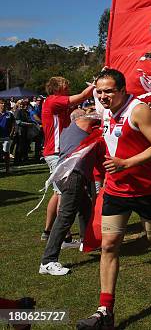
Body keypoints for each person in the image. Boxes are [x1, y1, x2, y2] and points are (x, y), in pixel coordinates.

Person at [77, 69, 151, 330]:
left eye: (108, 91)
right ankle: (105, 311)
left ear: (122, 90)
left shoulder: (138, 111)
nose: (103, 96)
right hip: (116, 191)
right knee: (108, 245)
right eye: (100, 91)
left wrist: (125, 163)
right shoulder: (107, 111)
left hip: (145, 191)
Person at [39, 108, 102, 276]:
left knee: (85, 208)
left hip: (71, 175)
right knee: (65, 216)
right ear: (78, 118)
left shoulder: (70, 130)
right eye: (85, 112)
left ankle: (86, 241)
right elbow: (95, 117)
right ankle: (48, 261)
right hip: (72, 175)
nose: (89, 112)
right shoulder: (79, 123)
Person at [41, 77, 94, 241]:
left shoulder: (55, 102)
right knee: (65, 194)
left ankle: (48, 230)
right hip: (57, 152)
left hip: (56, 151)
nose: (68, 85)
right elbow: (84, 96)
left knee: (57, 193)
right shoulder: (54, 101)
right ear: (57, 88)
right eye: (65, 83)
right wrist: (97, 83)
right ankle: (64, 236)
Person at [0, 99, 15, 173]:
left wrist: (11, 134)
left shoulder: (9, 114)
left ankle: (7, 169)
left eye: (4, 103)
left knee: (6, 153)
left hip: (6, 137)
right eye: (1, 103)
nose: (3, 105)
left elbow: (13, 124)